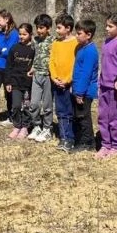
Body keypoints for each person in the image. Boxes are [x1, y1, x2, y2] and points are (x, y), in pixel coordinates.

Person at [97, 13, 117, 159]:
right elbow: (105, 64)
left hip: (115, 88)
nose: (107, 29)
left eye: (110, 26)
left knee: (115, 117)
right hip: (104, 85)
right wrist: (100, 81)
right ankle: (106, 144)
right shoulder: (106, 41)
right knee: (103, 116)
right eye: (106, 25)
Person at [66, 19, 99, 153]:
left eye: (79, 33)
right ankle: (82, 139)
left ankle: (87, 142)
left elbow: (86, 73)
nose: (76, 36)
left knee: (83, 117)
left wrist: (80, 93)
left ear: (88, 35)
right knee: (78, 115)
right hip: (77, 89)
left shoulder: (90, 51)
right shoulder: (81, 48)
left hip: (85, 91)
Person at [50, 13, 78, 151]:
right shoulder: (56, 43)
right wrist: (54, 77)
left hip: (69, 84)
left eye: (59, 28)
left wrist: (68, 80)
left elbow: (76, 64)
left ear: (68, 28)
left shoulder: (76, 43)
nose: (57, 30)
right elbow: (52, 61)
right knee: (60, 111)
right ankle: (63, 137)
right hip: (57, 83)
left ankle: (71, 138)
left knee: (70, 111)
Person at [5, 23, 35, 139]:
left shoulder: (33, 49)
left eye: (24, 34)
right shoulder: (14, 48)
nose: (21, 36)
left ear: (30, 34)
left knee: (27, 106)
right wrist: (8, 82)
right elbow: (9, 66)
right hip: (15, 82)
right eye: (20, 34)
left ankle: (25, 127)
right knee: (16, 105)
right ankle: (17, 126)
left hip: (28, 83)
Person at [28, 14, 55, 143]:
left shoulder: (53, 41)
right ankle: (37, 126)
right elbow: (36, 55)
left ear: (48, 28)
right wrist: (32, 68)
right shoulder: (35, 40)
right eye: (37, 27)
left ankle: (47, 129)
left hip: (48, 76)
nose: (39, 30)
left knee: (47, 105)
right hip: (36, 75)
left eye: (41, 28)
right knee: (33, 104)